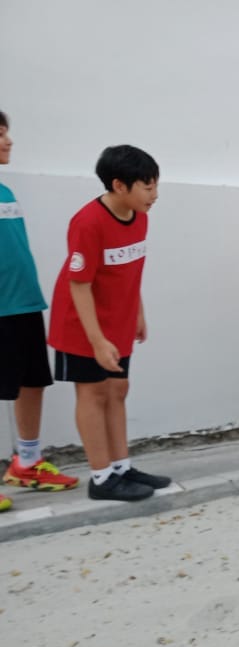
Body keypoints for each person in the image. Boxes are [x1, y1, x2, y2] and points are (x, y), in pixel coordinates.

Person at [48, 145, 171, 502]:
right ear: (119, 185)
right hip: (81, 324)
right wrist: (97, 341)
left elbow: (130, 270)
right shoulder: (88, 222)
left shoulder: (140, 216)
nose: (155, 195)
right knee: (93, 393)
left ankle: (121, 467)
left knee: (118, 390)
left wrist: (138, 312)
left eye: (155, 186)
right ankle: (101, 477)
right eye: (148, 187)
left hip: (118, 319)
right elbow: (79, 284)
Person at [0, 110, 80, 512]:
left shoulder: (7, 194)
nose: (8, 141)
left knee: (32, 382)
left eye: (7, 134)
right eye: (0, 134)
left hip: (24, 305)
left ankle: (27, 462)